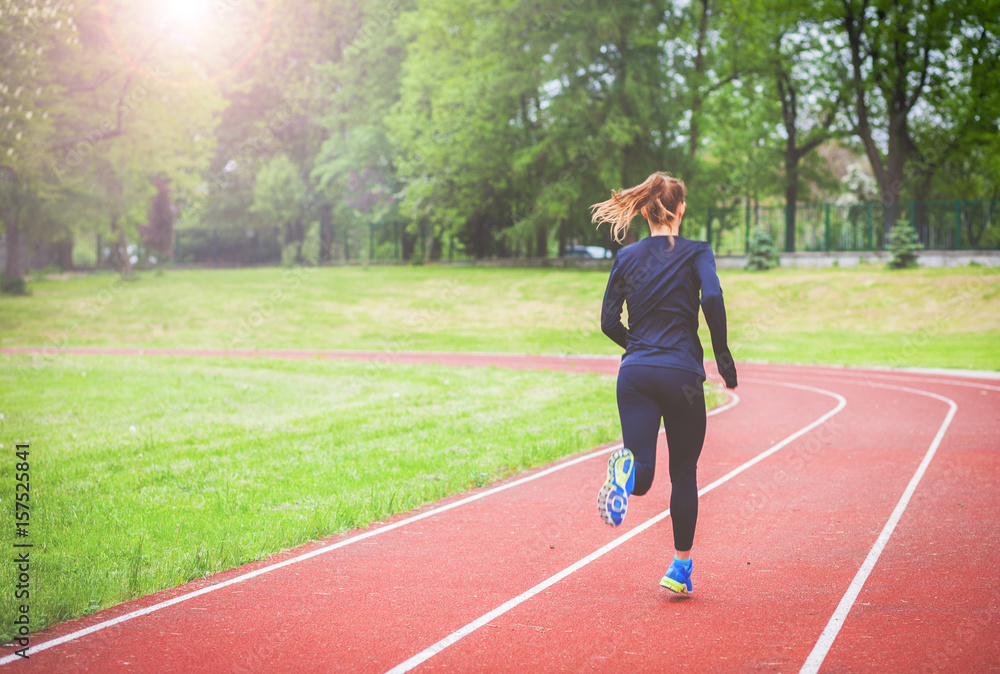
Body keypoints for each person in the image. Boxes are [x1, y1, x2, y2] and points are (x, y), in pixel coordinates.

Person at [591, 171, 737, 594]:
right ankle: (679, 568)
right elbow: (711, 297)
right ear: (681, 210)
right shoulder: (697, 252)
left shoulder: (627, 257)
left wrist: (635, 345)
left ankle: (624, 473)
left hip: (635, 374)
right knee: (684, 472)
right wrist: (723, 359)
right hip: (682, 374)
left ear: (642, 210)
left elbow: (606, 322)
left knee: (644, 475)